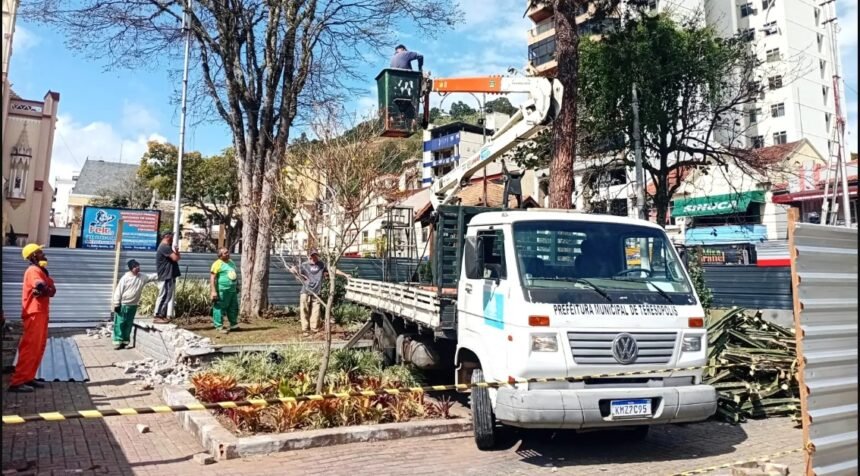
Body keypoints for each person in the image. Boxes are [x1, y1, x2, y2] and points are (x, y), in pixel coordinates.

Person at [9, 244, 55, 393]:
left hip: (41, 312)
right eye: (40, 252)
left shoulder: (42, 271)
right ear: (33, 256)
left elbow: (52, 289)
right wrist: (43, 288)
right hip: (34, 313)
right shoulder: (33, 270)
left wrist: (47, 288)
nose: (43, 254)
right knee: (30, 347)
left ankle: (28, 377)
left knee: (38, 347)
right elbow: (40, 285)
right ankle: (17, 382)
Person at [290, 249, 350, 337]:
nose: (313, 257)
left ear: (317, 256)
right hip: (305, 291)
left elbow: (333, 270)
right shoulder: (304, 265)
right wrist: (300, 276)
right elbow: (293, 270)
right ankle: (305, 330)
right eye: (312, 255)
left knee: (316, 311)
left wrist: (345, 275)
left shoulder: (322, 265)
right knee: (304, 311)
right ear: (309, 256)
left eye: (315, 255)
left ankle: (314, 329)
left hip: (317, 292)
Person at [112, 259, 158, 349]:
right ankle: (118, 341)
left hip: (133, 305)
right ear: (130, 269)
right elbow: (118, 291)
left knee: (128, 324)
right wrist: (116, 304)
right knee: (120, 323)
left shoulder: (142, 277)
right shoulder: (125, 278)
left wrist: (165, 273)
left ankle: (125, 341)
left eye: (138, 266)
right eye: (135, 267)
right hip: (123, 305)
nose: (137, 268)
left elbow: (152, 277)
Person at [210, 247, 240, 334]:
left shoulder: (231, 262)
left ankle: (233, 325)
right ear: (220, 255)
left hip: (232, 290)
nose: (228, 254)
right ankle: (219, 326)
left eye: (228, 252)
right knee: (219, 308)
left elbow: (234, 274)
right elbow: (212, 278)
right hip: (222, 290)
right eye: (225, 253)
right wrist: (213, 291)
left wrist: (237, 285)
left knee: (233, 307)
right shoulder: (217, 264)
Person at [153, 232, 181, 324]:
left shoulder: (167, 247)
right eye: (172, 236)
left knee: (167, 295)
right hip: (166, 275)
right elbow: (176, 258)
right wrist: (176, 253)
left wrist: (176, 251)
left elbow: (177, 257)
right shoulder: (164, 247)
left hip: (169, 275)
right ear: (167, 237)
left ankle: (161, 315)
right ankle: (158, 315)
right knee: (165, 295)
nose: (173, 238)